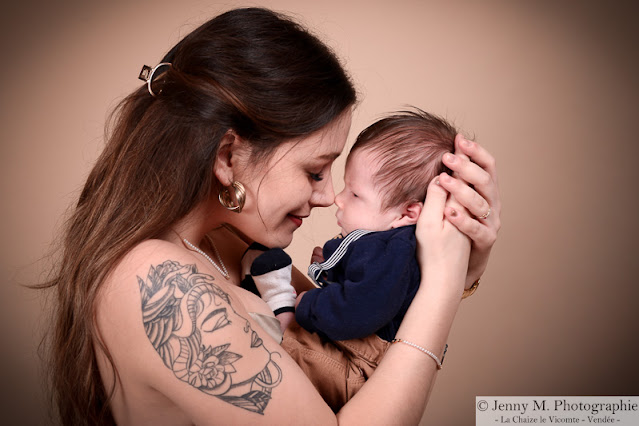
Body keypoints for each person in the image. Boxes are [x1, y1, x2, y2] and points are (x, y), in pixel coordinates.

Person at [40, 7, 501, 425]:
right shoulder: (161, 282)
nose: (329, 197)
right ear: (227, 156)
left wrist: (459, 271)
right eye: (315, 171)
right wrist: (442, 283)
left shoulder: (224, 244)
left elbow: (355, 355)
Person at [240, 109, 471, 410]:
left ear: (407, 213)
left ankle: (276, 322)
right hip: (359, 353)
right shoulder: (389, 244)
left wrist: (308, 305)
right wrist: (333, 267)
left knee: (284, 353)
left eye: (355, 194)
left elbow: (360, 309)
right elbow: (369, 288)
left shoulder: (391, 250)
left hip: (361, 367)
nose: (337, 197)